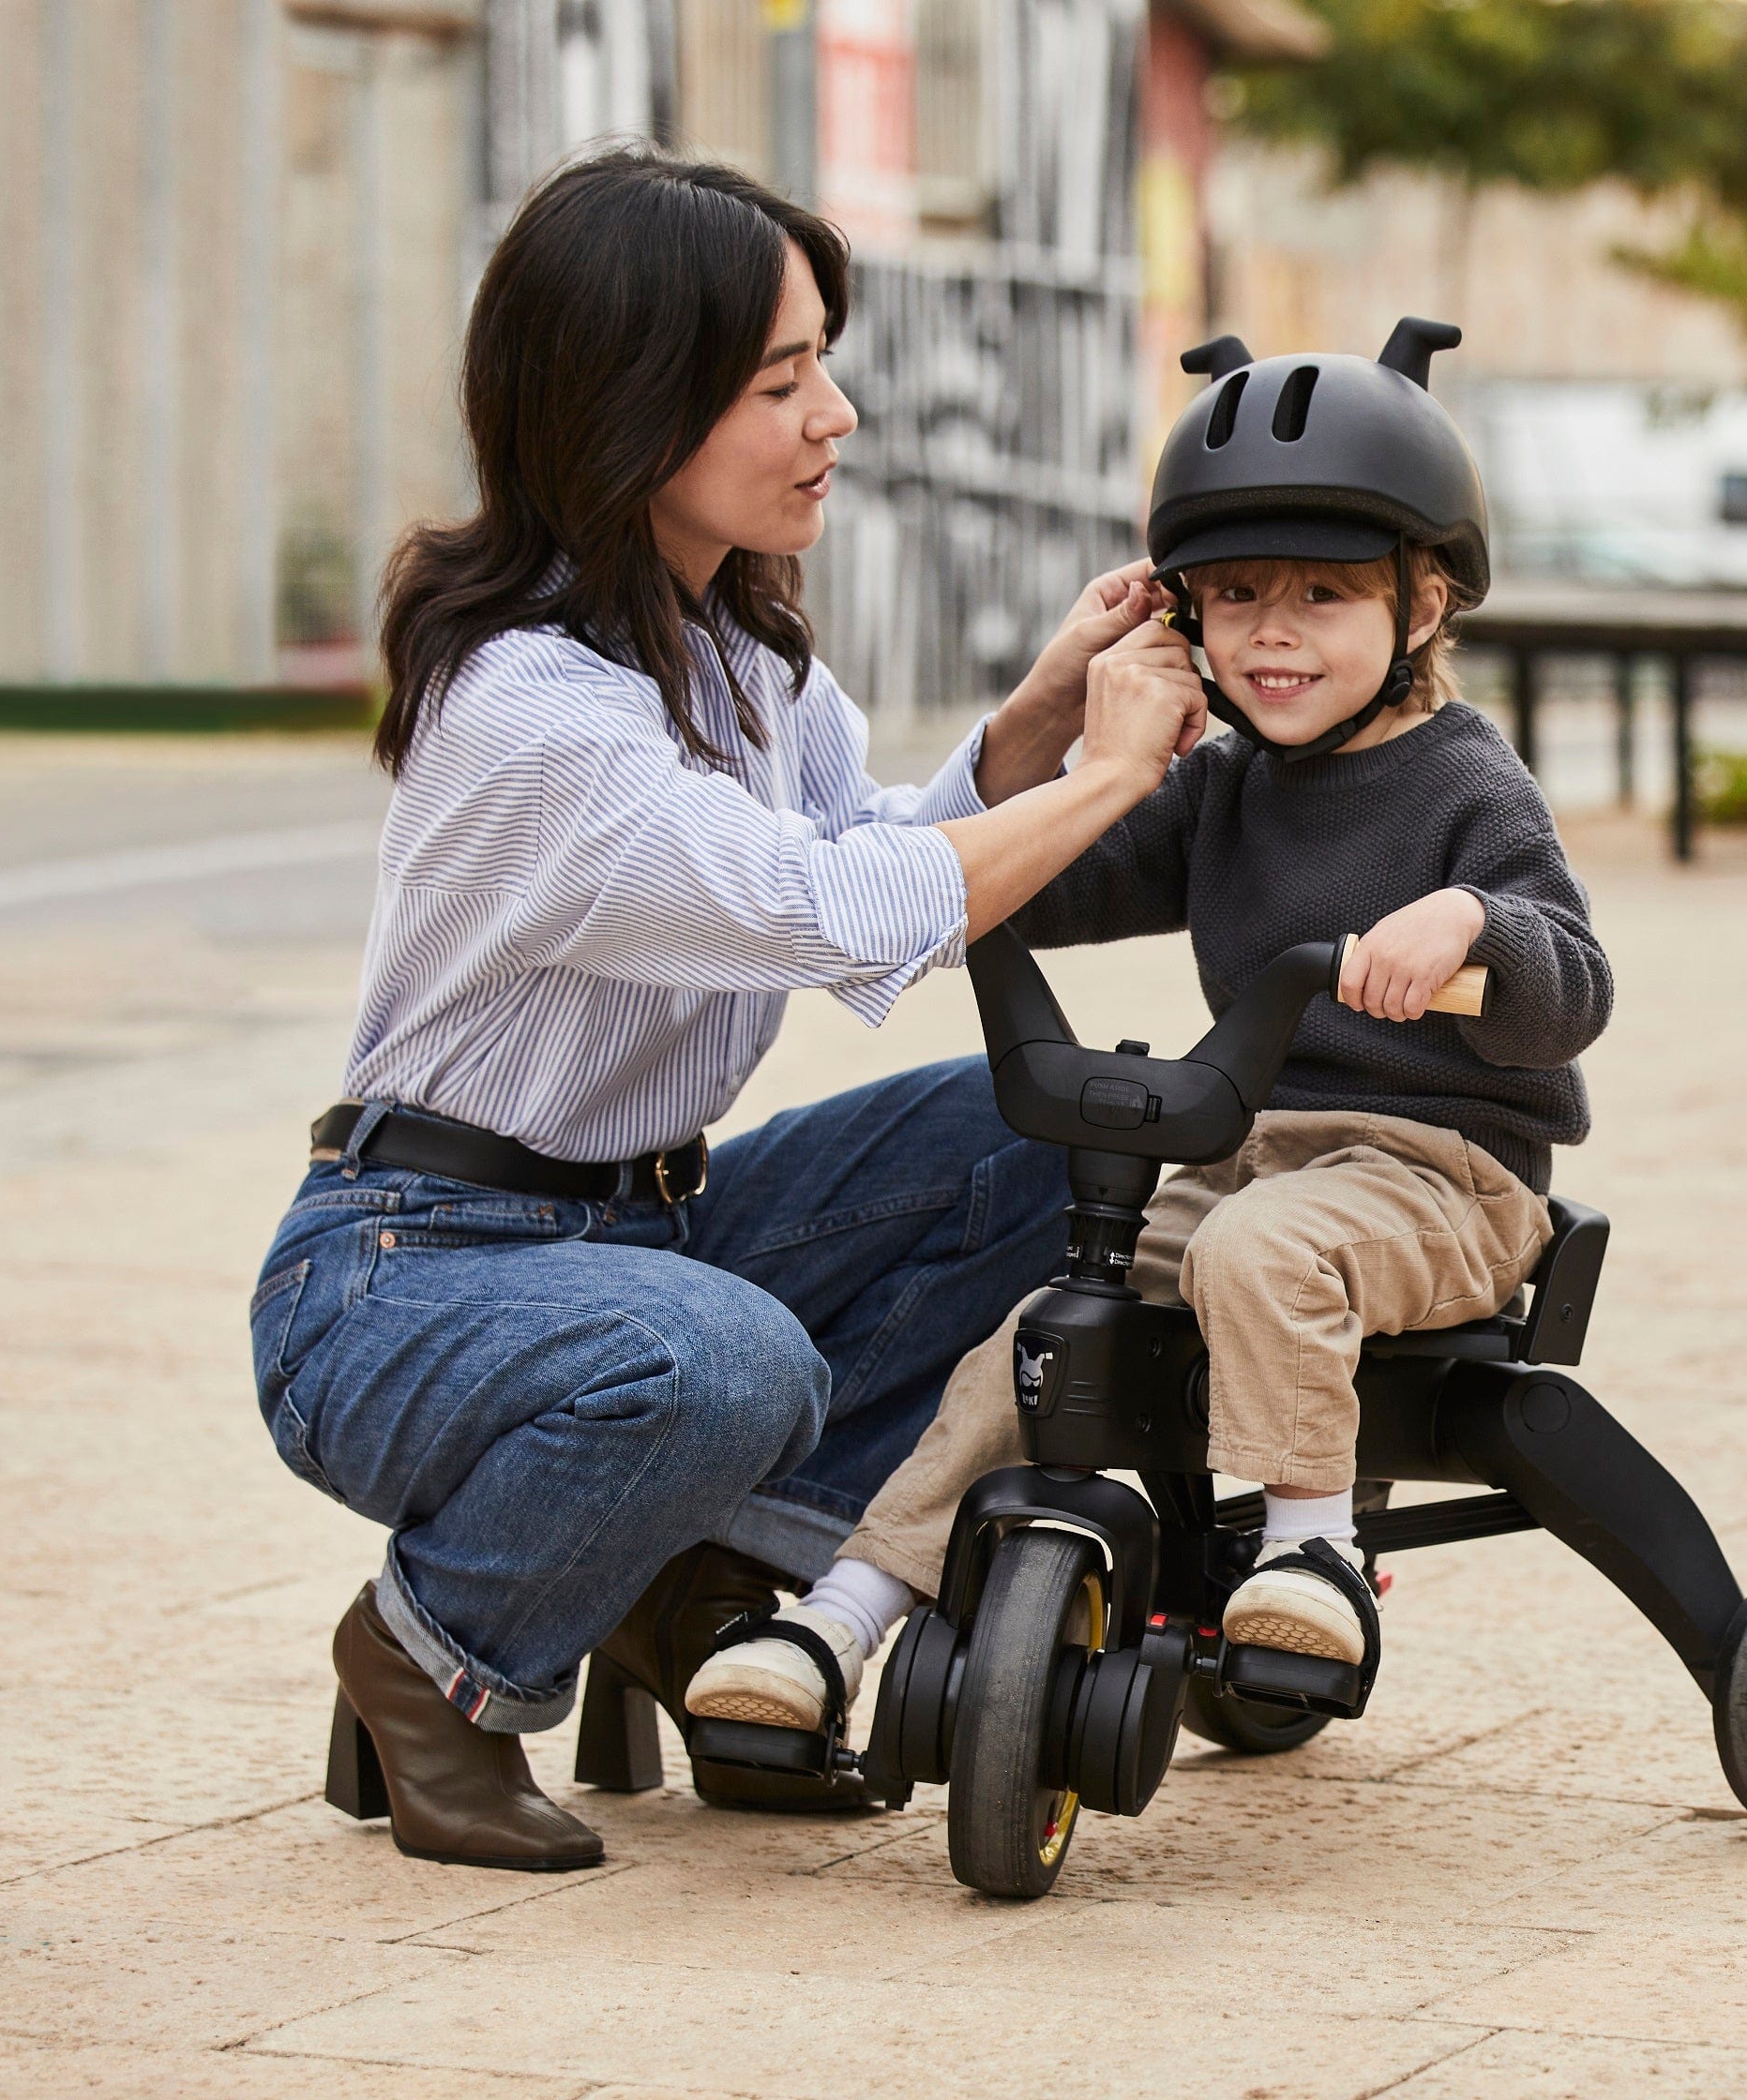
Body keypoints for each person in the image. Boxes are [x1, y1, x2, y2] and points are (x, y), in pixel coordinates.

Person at [250, 150, 1208, 1873]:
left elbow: (880, 866)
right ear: (633, 403)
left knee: (1041, 1133)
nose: (834, 413)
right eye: (782, 380)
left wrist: (1042, 720)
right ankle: (433, 1660)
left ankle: (707, 1578)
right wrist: (1117, 775)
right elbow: (821, 916)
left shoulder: (739, 657)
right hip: (405, 1280)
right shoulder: (540, 710)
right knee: (728, 1360)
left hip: (649, 1230)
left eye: (821, 362)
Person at [685, 324, 1614, 1737]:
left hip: (1448, 1182)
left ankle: (1311, 1555)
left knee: (1258, 1251)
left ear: (1424, 608)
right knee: (1042, 1335)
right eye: (1234, 598)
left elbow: (1577, 982)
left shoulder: (1466, 788)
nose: (1273, 633)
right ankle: (848, 1613)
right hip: (1262, 1166)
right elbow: (1052, 884)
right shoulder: (1225, 783)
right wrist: (1091, 776)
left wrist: (1475, 931)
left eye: (1322, 595)